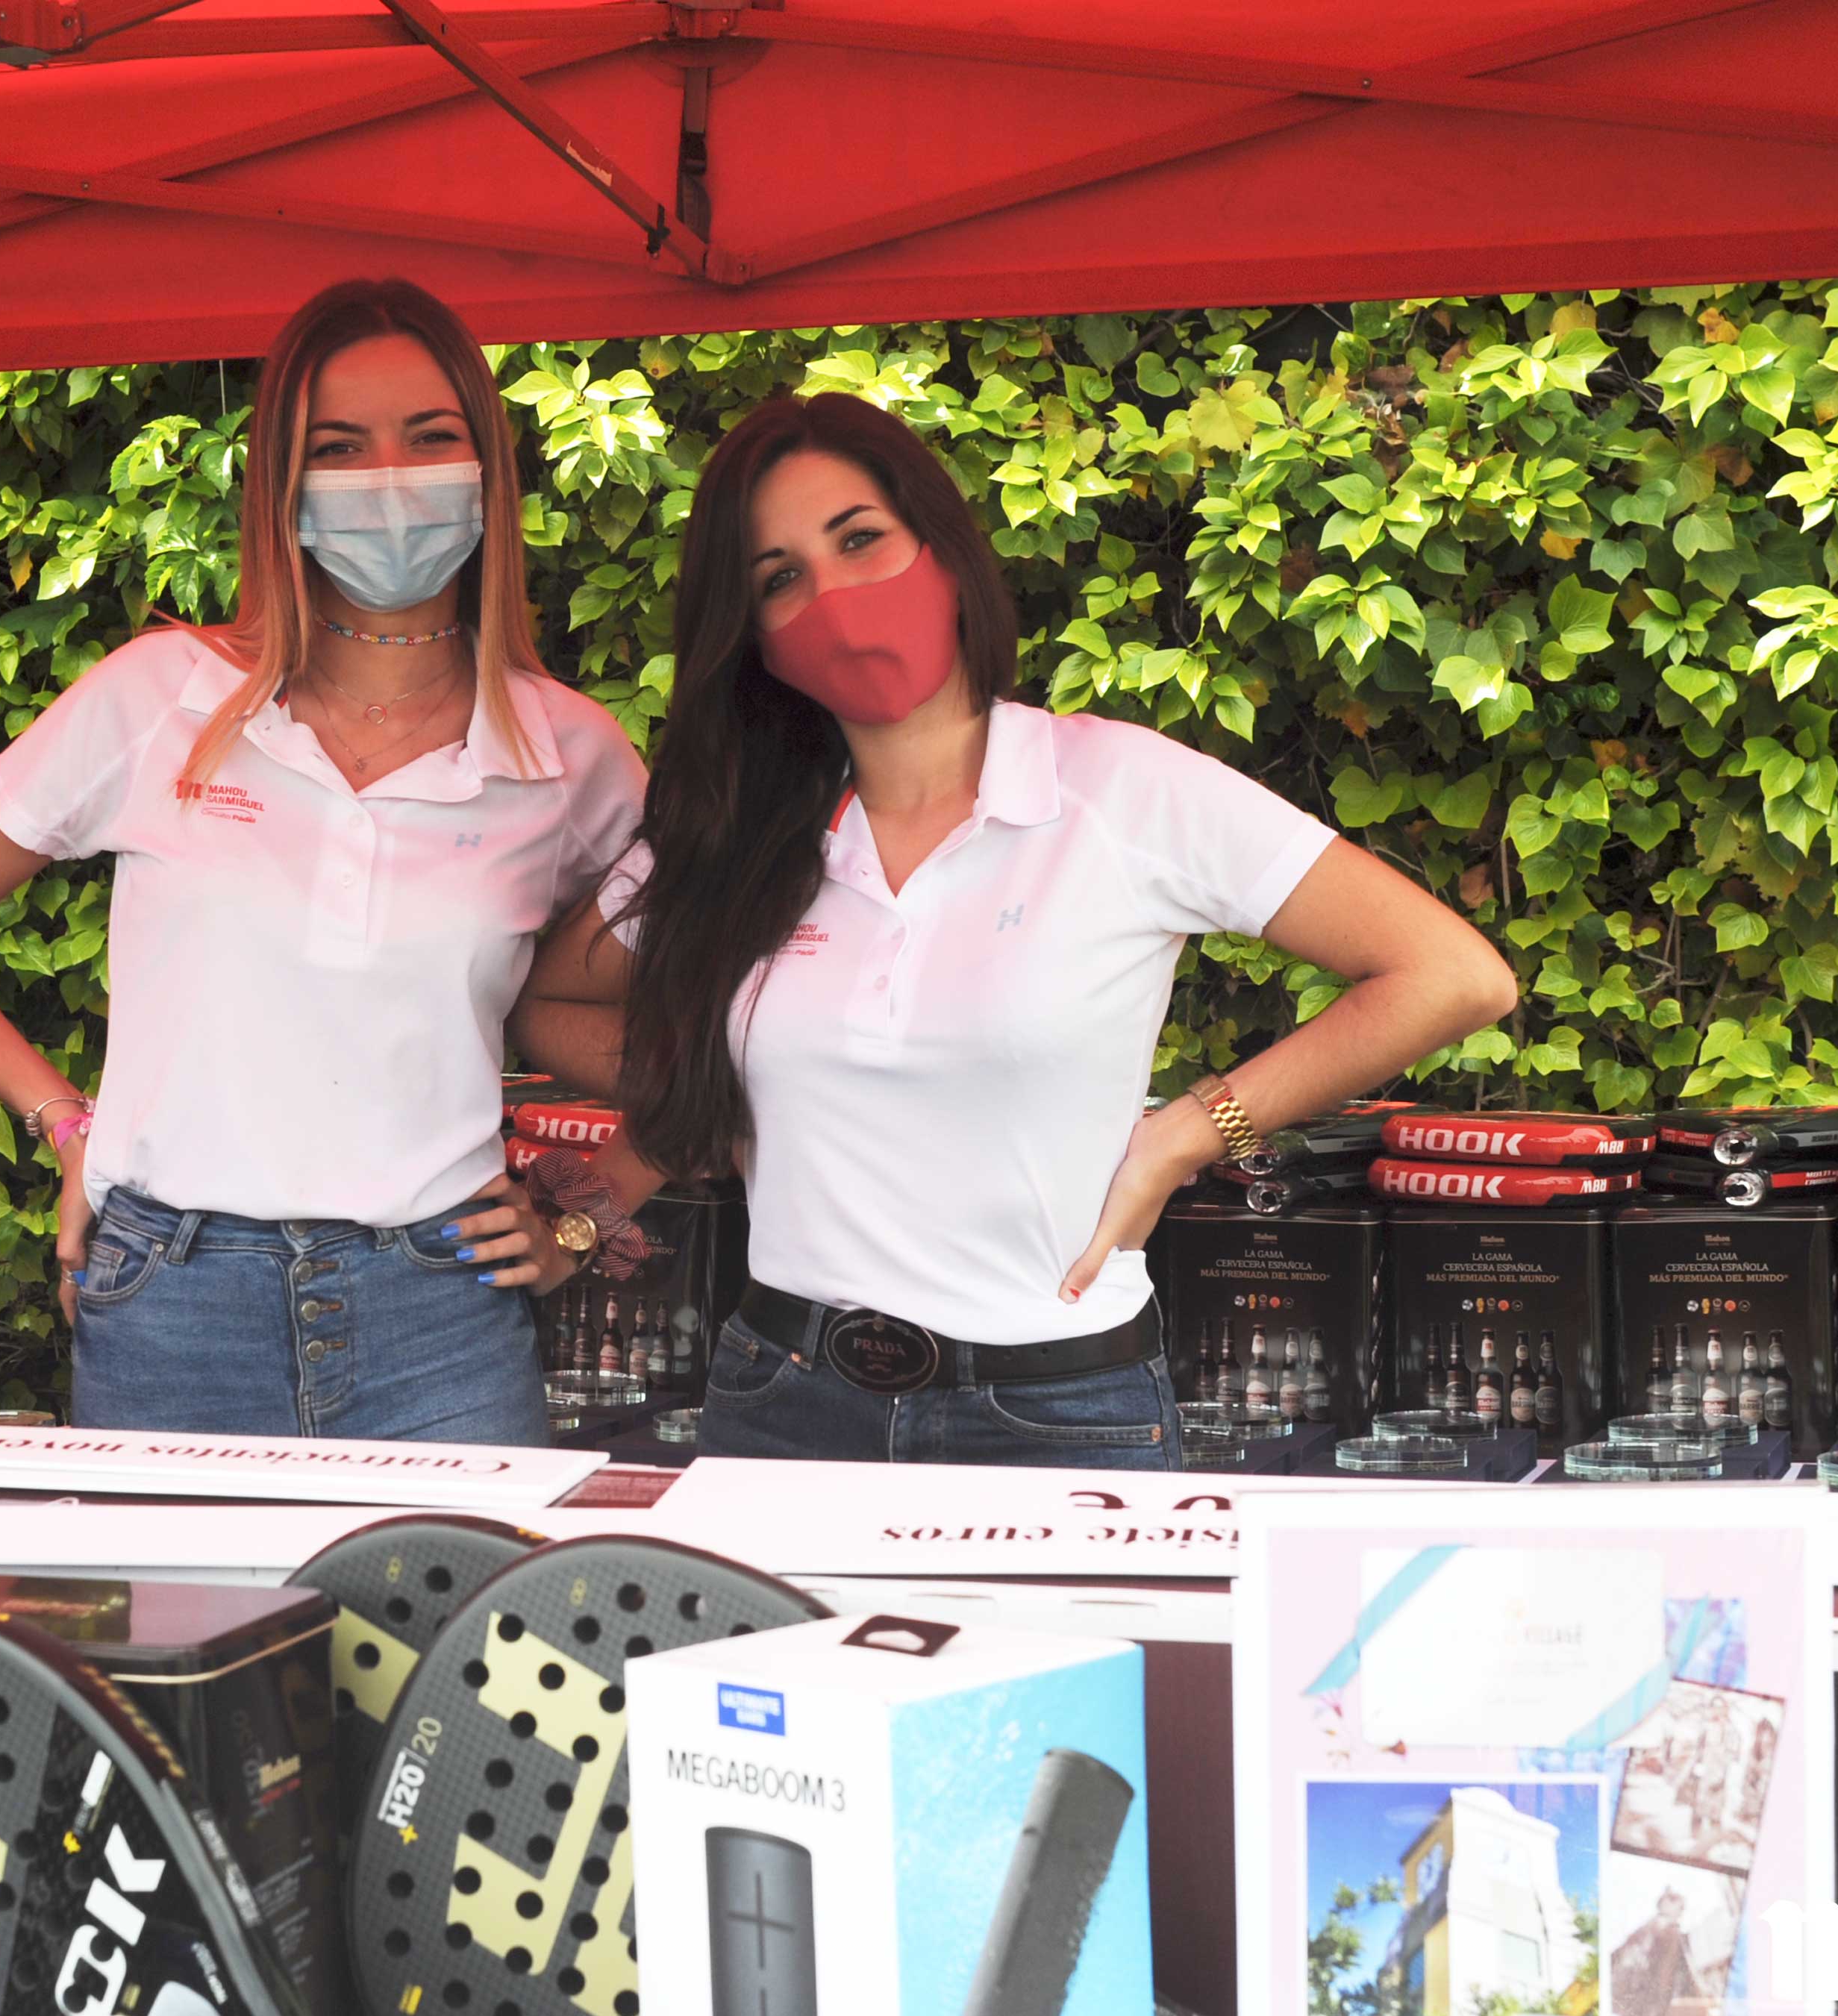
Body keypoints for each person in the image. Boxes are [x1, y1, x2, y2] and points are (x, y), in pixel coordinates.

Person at [510, 390, 1515, 1469]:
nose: (834, 596)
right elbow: (550, 1006)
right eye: (780, 577)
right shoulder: (735, 835)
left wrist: (1190, 1134)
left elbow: (1452, 975)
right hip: (783, 1401)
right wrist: (719, 1094)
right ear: (753, 637)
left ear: (944, 551)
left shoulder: (1119, 788)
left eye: (860, 540)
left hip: (1062, 1413)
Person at [0, 278, 645, 1441]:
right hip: (174, 1308)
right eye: (340, 447)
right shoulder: (156, 698)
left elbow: (731, 1016)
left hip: (443, 1316)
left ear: (490, 468)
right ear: (281, 482)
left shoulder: (571, 755)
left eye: (430, 437)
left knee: (457, 1581)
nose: (389, 478)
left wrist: (589, 1215)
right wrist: (65, 1122)